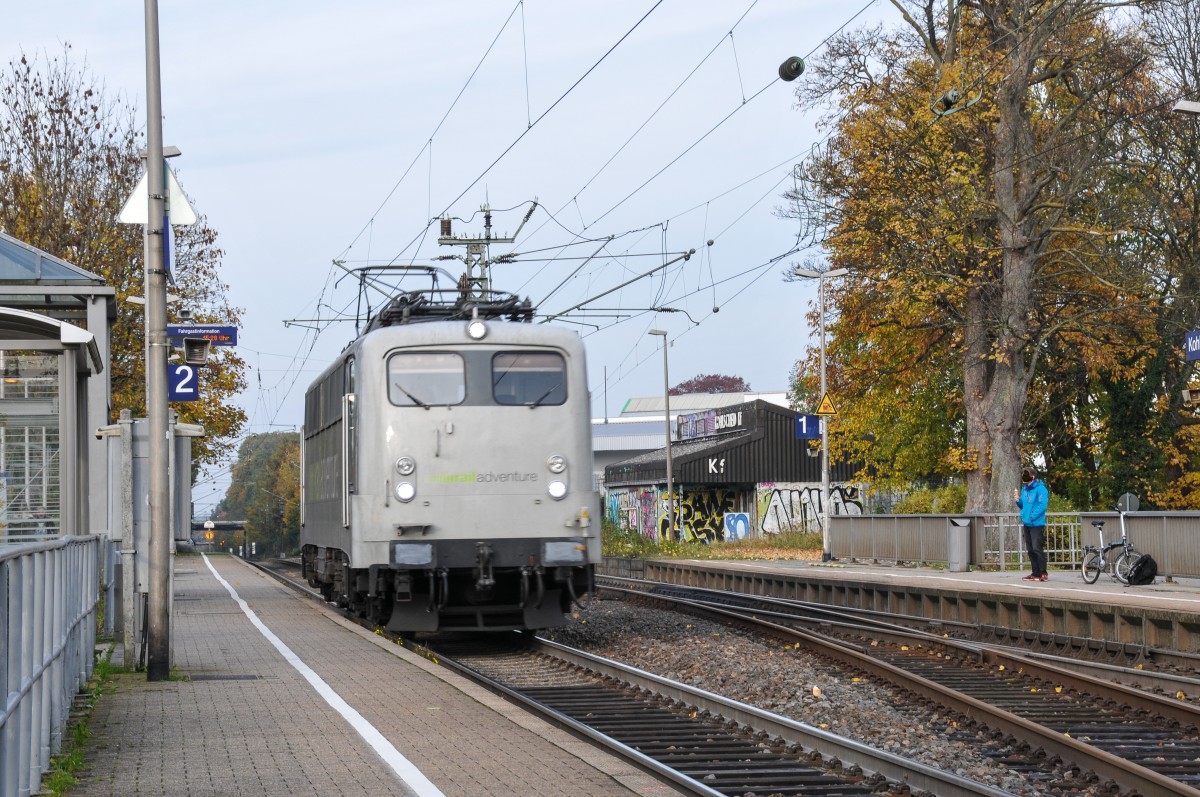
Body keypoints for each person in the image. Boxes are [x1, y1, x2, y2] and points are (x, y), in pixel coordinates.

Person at [1014, 467, 1049, 581]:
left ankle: (1043, 572)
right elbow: (1023, 505)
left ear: (1033, 476)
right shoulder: (1024, 489)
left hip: (1037, 524)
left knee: (1037, 548)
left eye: (1026, 474)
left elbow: (1042, 505)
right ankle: (1035, 572)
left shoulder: (1041, 489)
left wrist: (1032, 516)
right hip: (1027, 523)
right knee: (1030, 549)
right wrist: (1018, 501)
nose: (1024, 477)